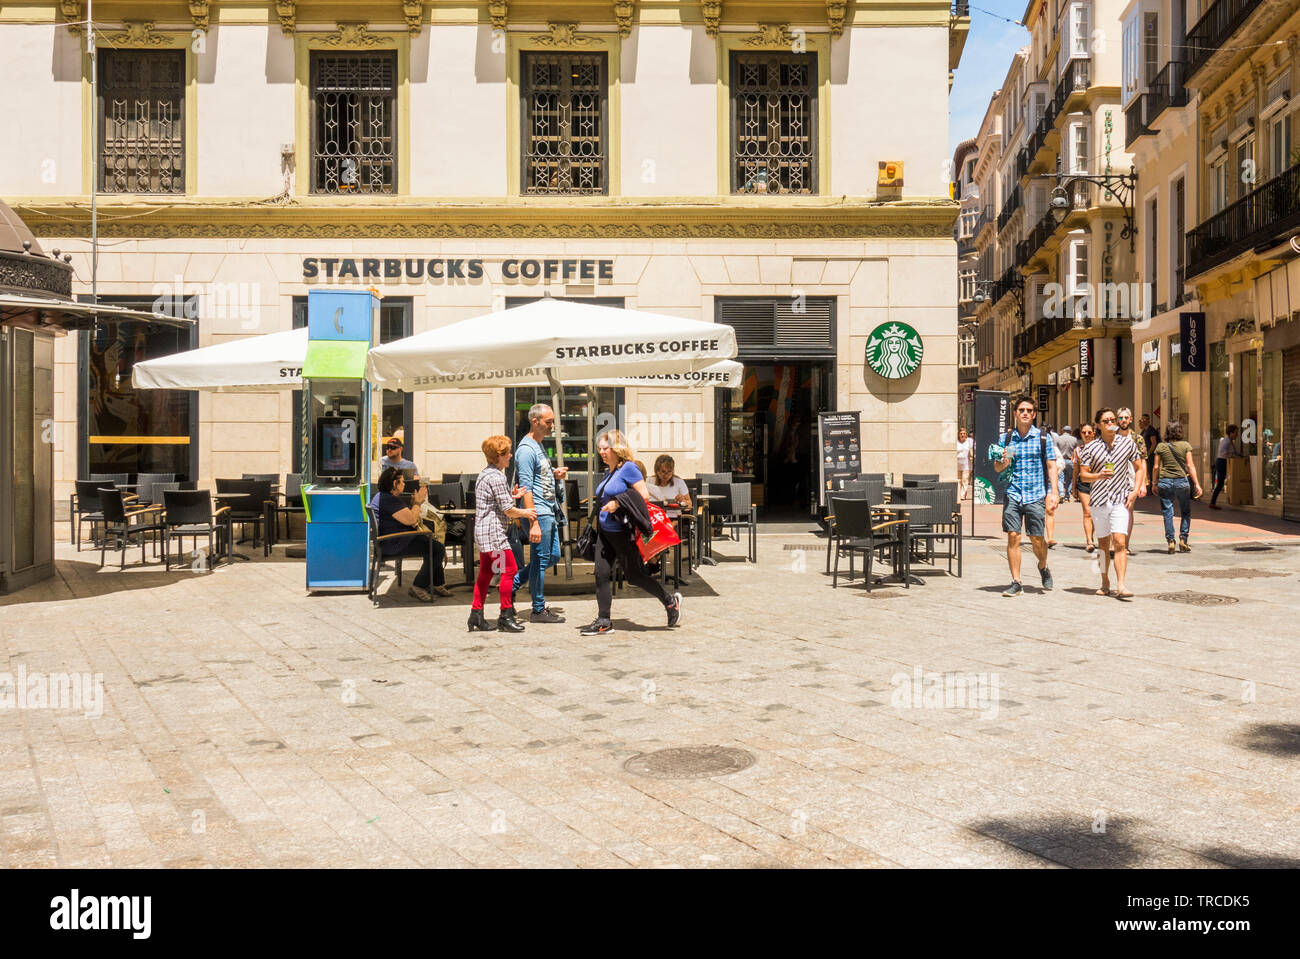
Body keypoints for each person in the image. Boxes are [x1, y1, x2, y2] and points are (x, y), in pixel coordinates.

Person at [579, 429, 681, 636]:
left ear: (618, 448)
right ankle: (604, 621)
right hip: (605, 533)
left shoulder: (629, 469)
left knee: (634, 576)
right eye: (599, 448)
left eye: (605, 448)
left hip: (623, 534)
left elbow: (643, 495)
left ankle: (670, 601)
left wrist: (618, 503)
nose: (601, 452)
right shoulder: (611, 471)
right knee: (601, 574)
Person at [468, 436, 536, 633]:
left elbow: (497, 501)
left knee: (487, 572)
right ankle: (505, 615)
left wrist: (511, 495)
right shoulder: (497, 477)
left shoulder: (486, 474)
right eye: (507, 453)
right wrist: (526, 512)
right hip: (494, 534)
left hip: (483, 532)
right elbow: (508, 510)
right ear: (499, 456)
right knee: (510, 570)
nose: (510, 455)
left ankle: (476, 613)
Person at [993, 395, 1059, 597]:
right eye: (1021, 410)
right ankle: (1016, 582)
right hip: (1013, 492)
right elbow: (997, 468)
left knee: (1037, 539)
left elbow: (1051, 465)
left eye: (1029, 411)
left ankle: (1043, 565)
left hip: (1036, 494)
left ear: (1034, 414)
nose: (1025, 413)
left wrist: (1054, 492)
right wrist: (1003, 462)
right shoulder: (1006, 438)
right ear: (1015, 413)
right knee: (1013, 536)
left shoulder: (1042, 437)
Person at [510, 404, 569, 624]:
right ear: (535, 421)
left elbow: (538, 476)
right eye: (548, 422)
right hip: (539, 513)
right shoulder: (526, 449)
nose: (552, 426)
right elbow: (526, 486)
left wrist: (553, 475)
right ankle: (538, 609)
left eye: (553, 421)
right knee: (540, 558)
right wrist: (532, 521)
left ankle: (512, 584)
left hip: (549, 510)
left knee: (551, 557)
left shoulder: (539, 445)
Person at [1077, 408, 1145, 600]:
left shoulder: (1128, 444)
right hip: (1098, 501)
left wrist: (1134, 491)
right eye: (1106, 421)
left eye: (1112, 420)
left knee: (1120, 542)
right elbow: (1083, 474)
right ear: (1098, 425)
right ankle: (1105, 582)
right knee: (1103, 544)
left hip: (1120, 500)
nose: (1110, 423)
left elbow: (1139, 468)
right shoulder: (1090, 448)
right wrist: (1098, 475)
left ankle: (1121, 585)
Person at [369, 467, 450, 602]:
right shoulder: (389, 500)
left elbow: (405, 516)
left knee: (431, 544)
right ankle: (419, 586)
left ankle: (437, 584)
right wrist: (418, 503)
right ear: (395, 484)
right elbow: (411, 520)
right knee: (437, 548)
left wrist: (413, 505)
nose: (404, 484)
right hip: (394, 544)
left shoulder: (381, 496)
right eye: (401, 482)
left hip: (390, 541)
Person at [1152, 421, 1203, 553]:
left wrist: (1153, 483)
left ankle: (1170, 541)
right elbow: (1190, 466)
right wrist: (1197, 483)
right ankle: (1183, 539)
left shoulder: (1160, 446)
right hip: (1181, 482)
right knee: (1185, 511)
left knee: (1167, 512)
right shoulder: (1186, 445)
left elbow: (1156, 467)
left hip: (1165, 481)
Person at [1117, 408, 1144, 555]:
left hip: (1131, 480)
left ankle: (1125, 544)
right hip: (1113, 481)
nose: (1123, 420)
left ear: (1131, 420)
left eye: (1126, 418)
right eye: (1120, 418)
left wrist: (1143, 484)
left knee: (1128, 511)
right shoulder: (1112, 436)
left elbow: (1142, 462)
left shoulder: (1137, 439)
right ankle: (1117, 542)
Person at [1073, 422, 1098, 552]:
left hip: (1099, 483)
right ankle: (1089, 540)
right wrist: (1073, 487)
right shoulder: (1078, 450)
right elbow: (1076, 469)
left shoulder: (1102, 448)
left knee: (1098, 513)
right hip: (1083, 484)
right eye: (1084, 432)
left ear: (1094, 433)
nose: (1087, 435)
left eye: (1089, 432)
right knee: (1087, 512)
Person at [1208, 425, 1241, 509]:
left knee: (1222, 483)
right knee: (1220, 483)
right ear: (1231, 433)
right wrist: (1232, 455)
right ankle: (1213, 502)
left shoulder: (1229, 441)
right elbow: (1223, 452)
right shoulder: (1226, 441)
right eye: (1236, 433)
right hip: (1222, 462)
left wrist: (1238, 455)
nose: (1237, 435)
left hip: (1223, 462)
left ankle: (1214, 502)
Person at [1055, 426, 1078, 500]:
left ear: (1063, 430)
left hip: (1060, 460)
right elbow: (1076, 450)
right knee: (1069, 478)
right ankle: (1067, 495)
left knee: (1059, 477)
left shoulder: (1058, 439)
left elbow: (1055, 450)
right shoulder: (1074, 439)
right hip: (1070, 460)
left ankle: (1061, 492)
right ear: (1070, 432)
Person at [1140, 414, 1161, 493]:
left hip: (1151, 455)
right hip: (1146, 454)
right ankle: (1148, 487)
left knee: (1151, 470)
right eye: (1141, 420)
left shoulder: (1151, 430)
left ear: (1148, 420)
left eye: (1144, 420)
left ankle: (1152, 488)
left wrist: (1148, 453)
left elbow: (1153, 443)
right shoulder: (1144, 431)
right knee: (1148, 471)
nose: (1142, 421)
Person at [956, 427, 974, 501]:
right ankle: (959, 494)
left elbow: (972, 450)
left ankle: (962, 495)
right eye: (961, 433)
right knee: (958, 480)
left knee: (965, 480)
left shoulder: (970, 441)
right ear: (958, 434)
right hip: (957, 464)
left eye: (964, 433)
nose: (962, 435)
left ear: (966, 434)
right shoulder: (956, 442)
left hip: (967, 464)